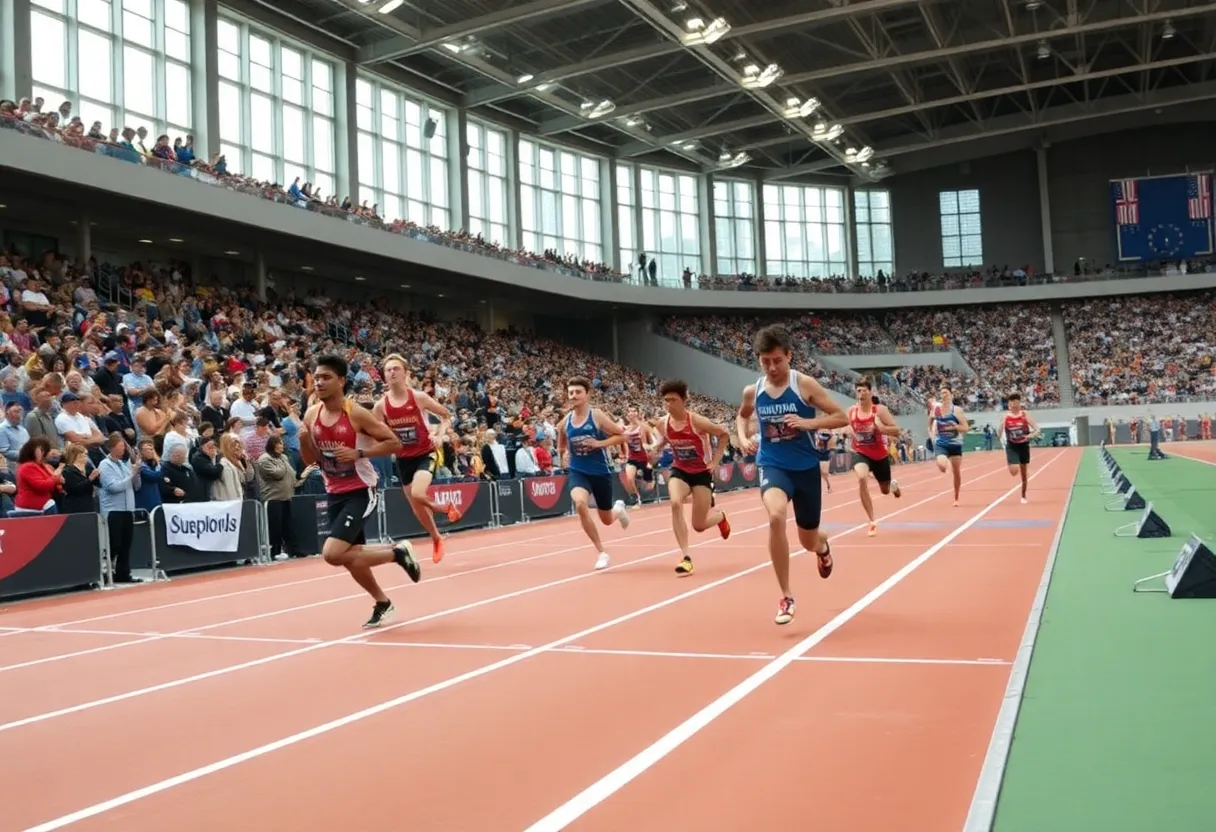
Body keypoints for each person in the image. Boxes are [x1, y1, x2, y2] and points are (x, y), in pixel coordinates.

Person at [735, 325, 848, 626]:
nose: (772, 368)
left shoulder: (804, 385)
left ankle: (822, 547)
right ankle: (786, 596)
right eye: (765, 362)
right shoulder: (753, 391)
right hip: (772, 464)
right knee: (775, 516)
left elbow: (841, 416)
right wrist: (742, 436)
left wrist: (807, 423)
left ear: (788, 356)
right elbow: (742, 414)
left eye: (777, 360)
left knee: (808, 540)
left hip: (805, 469)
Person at [299, 354, 421, 629]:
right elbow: (310, 460)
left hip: (361, 489)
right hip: (334, 491)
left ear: (341, 381)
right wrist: (306, 441)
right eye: (316, 377)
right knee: (351, 556)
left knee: (332, 554)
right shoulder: (311, 415)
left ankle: (397, 552)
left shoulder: (355, 413)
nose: (319, 382)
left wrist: (358, 452)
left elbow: (394, 443)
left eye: (326, 377)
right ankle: (382, 602)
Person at [372, 353, 462, 564]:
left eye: (396, 369)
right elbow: (376, 432)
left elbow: (446, 415)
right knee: (416, 507)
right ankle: (437, 537)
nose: (392, 372)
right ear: (384, 376)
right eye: (388, 370)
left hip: (425, 453)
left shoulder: (418, 397)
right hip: (403, 459)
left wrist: (439, 434)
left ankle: (446, 509)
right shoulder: (381, 406)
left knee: (418, 493)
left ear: (406, 374)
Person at [647, 379, 731, 576]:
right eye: (665, 400)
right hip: (680, 470)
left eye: (673, 400)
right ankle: (686, 557)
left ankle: (721, 517)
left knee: (699, 525)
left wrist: (716, 461)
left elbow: (724, 434)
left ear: (684, 400)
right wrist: (656, 449)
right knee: (675, 503)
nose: (668, 404)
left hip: (701, 473)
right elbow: (666, 438)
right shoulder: (662, 423)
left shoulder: (697, 421)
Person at [557, 376, 630, 570]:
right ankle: (601, 552)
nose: (574, 396)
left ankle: (619, 509)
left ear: (587, 394)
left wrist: (600, 443)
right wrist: (563, 454)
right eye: (571, 392)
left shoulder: (596, 415)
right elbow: (561, 441)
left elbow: (621, 435)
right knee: (580, 503)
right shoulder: (565, 421)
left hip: (600, 472)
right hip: (578, 471)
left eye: (578, 392)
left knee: (606, 520)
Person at [845, 378, 903, 536]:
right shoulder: (851, 411)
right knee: (862, 477)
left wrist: (881, 428)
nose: (861, 393)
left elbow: (897, 430)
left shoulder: (880, 410)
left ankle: (893, 486)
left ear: (871, 393)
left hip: (880, 455)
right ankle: (871, 521)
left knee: (884, 490)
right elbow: (848, 427)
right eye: (858, 391)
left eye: (865, 390)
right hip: (861, 453)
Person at [929, 386, 969, 506]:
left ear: (951, 395)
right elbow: (929, 422)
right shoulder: (936, 409)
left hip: (955, 445)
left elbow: (965, 428)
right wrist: (932, 435)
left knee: (956, 472)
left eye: (946, 393)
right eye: (941, 393)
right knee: (942, 465)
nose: (943, 395)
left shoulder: (957, 410)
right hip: (941, 443)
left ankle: (956, 497)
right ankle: (944, 462)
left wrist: (955, 427)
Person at [999, 392, 1039, 504]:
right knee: (1014, 471)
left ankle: (1023, 495)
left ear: (1019, 403)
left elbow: (1037, 429)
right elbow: (999, 433)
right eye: (1011, 402)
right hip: (1012, 445)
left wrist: (1031, 435)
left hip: (1023, 445)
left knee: (1023, 472)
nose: (1013, 404)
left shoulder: (1025, 414)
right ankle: (1011, 462)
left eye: (1016, 402)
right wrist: (1001, 425)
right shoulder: (1005, 416)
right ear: (1008, 404)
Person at [620, 405, 656, 506]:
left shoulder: (644, 427)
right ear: (627, 415)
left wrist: (648, 447)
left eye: (634, 411)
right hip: (632, 458)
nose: (631, 413)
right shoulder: (625, 429)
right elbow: (623, 444)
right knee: (629, 478)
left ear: (638, 413)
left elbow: (654, 442)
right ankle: (637, 498)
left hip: (645, 458)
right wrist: (624, 454)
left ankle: (650, 479)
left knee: (649, 486)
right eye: (629, 411)